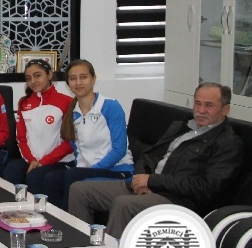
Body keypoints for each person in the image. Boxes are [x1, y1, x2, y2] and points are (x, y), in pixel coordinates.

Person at [69, 82, 245, 238]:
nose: (201, 110)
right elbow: (148, 156)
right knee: (80, 190)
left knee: (123, 204)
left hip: (178, 200)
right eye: (197, 103)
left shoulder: (228, 143)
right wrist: (142, 180)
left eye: (209, 105)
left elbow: (206, 188)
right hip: (149, 186)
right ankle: (80, 247)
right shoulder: (181, 127)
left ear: (225, 109)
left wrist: (153, 181)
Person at [42, 59, 134, 209]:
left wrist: (92, 170)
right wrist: (83, 169)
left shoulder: (110, 106)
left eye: (83, 77)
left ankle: (66, 221)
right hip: (89, 169)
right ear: (68, 83)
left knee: (73, 175)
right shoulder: (72, 113)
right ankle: (52, 218)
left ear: (93, 79)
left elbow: (119, 150)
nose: (78, 82)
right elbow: (79, 152)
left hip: (118, 171)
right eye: (73, 78)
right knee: (51, 178)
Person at [2, 59, 73, 194]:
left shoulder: (67, 101)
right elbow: (21, 138)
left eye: (37, 75)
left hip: (59, 161)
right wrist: (32, 160)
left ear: (49, 75)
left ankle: (37, 208)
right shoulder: (24, 103)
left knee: (35, 177)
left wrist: (44, 162)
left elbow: (70, 142)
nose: (33, 81)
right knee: (12, 170)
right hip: (31, 160)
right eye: (28, 78)